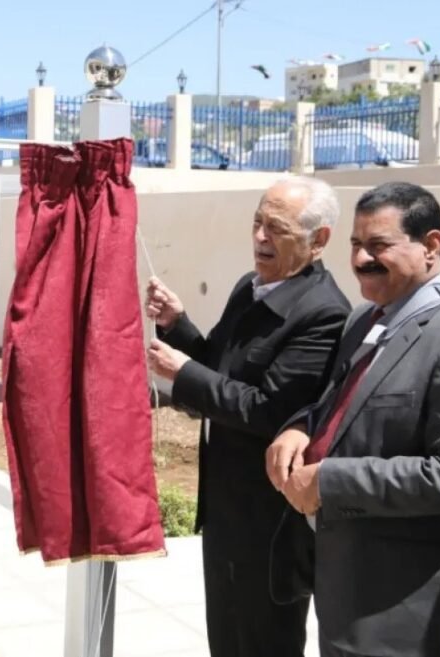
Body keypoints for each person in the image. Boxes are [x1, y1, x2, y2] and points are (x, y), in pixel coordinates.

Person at [267, 181, 440, 657]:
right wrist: (300, 427)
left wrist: (330, 481)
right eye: (356, 245)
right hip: (340, 583)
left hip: (398, 610)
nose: (362, 259)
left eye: (379, 245)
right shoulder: (364, 322)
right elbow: (339, 405)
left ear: (431, 246)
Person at [146, 176, 351, 657]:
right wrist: (179, 325)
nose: (260, 237)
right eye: (257, 222)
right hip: (225, 508)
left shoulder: (323, 314)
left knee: (264, 639)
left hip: (269, 520)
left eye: (276, 227)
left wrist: (185, 373)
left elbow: (269, 411)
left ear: (318, 240)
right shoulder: (251, 287)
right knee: (226, 632)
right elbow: (218, 364)